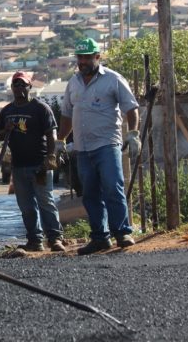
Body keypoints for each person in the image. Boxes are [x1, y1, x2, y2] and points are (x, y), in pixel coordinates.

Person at [56, 38, 141, 256]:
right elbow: (66, 114)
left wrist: (133, 134)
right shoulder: (73, 83)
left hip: (107, 144)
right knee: (90, 194)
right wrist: (60, 141)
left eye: (86, 57)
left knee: (113, 187)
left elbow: (131, 108)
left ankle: (122, 233)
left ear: (97, 57)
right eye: (79, 57)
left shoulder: (113, 79)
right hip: (83, 148)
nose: (82, 61)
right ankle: (100, 238)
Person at [0, 71, 65, 252]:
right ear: (12, 88)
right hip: (19, 166)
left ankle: (55, 239)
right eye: (16, 85)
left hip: (39, 165)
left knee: (46, 202)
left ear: (29, 87)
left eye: (23, 85)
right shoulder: (8, 111)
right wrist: (5, 130)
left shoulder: (40, 108)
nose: (19, 88)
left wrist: (50, 156)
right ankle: (35, 240)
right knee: (26, 206)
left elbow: (51, 134)